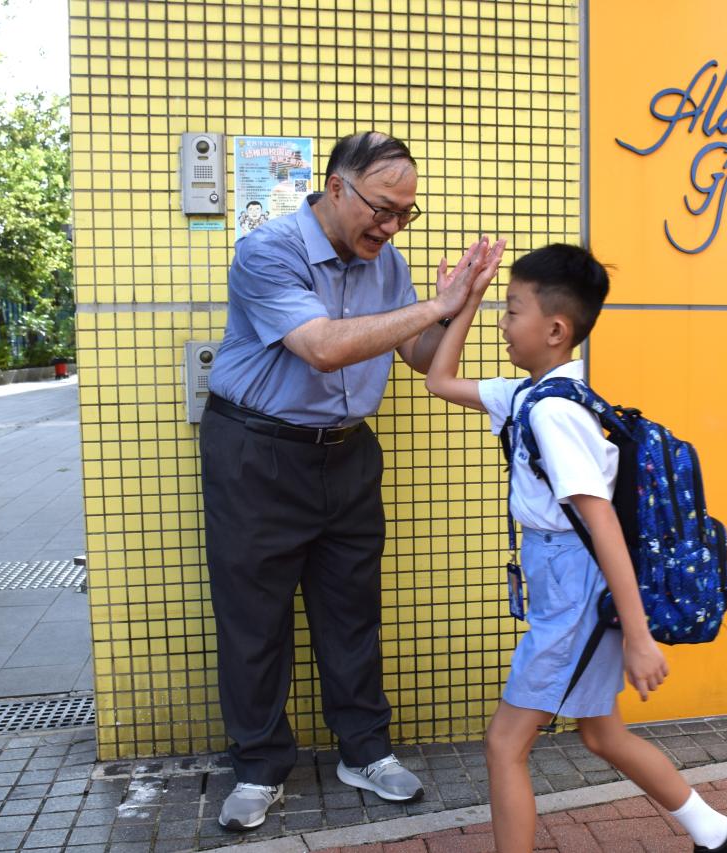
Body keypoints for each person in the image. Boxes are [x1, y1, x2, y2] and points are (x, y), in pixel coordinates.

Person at [201, 130, 505, 831]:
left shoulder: (386, 263)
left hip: (347, 453)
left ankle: (364, 750)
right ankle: (258, 766)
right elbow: (321, 348)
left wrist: (462, 303)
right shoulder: (268, 250)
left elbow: (422, 356)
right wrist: (434, 306)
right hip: (256, 453)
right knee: (254, 619)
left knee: (352, 610)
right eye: (383, 209)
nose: (392, 227)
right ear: (336, 188)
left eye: (405, 213)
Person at [424, 244, 727, 853]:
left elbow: (601, 525)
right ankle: (719, 835)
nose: (503, 324)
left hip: (576, 583)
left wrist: (638, 635)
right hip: (564, 575)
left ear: (555, 330)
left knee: (504, 744)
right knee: (602, 733)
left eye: (511, 311)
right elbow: (439, 381)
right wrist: (464, 300)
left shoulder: (554, 412)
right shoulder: (531, 395)